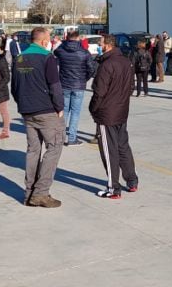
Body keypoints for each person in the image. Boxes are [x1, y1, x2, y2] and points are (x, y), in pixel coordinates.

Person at [11, 27, 64, 208]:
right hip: (46, 110)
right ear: (43, 41)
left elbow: (15, 86)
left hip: (27, 110)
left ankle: (29, 193)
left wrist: (23, 104)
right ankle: (41, 193)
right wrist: (60, 107)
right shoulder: (47, 57)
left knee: (33, 151)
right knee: (54, 147)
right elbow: (55, 86)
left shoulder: (19, 58)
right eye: (48, 39)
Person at [91, 34, 139, 199]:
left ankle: (113, 188)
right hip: (121, 110)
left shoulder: (107, 65)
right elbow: (131, 86)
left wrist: (93, 109)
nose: (99, 45)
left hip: (107, 113)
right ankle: (132, 181)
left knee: (109, 150)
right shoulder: (126, 61)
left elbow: (99, 92)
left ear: (107, 45)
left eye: (101, 43)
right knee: (122, 146)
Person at [54, 30, 95, 146]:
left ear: (67, 38)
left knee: (64, 111)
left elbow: (55, 51)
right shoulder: (84, 52)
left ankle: (60, 137)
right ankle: (72, 138)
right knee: (75, 113)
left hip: (64, 84)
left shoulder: (61, 50)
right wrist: (84, 79)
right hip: (78, 85)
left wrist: (63, 42)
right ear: (78, 38)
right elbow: (91, 69)